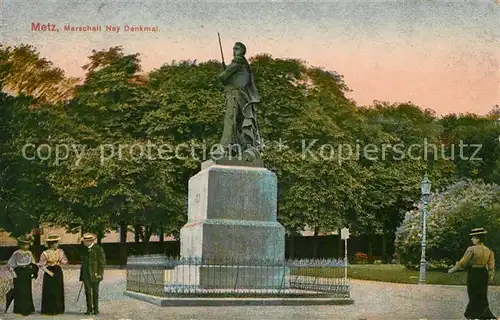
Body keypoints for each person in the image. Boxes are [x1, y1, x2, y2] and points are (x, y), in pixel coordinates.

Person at [216, 41, 262, 161]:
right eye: (234, 48)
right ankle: (242, 148)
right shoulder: (246, 65)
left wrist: (225, 72)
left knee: (230, 119)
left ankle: (223, 148)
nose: (234, 51)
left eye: (236, 49)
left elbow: (222, 77)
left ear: (242, 51)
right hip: (243, 97)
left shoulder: (238, 61)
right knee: (239, 123)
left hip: (234, 94)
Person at [448, 227, 496, 319]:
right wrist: (491, 276)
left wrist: (453, 269)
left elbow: (463, 262)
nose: (471, 239)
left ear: (478, 239)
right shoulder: (489, 250)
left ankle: (472, 314)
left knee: (473, 293)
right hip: (483, 273)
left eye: (473, 237)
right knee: (482, 294)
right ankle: (484, 314)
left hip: (474, 273)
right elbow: (491, 266)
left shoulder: (471, 249)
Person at [5, 234, 38, 316]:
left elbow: (33, 263)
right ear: (20, 245)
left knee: (27, 290)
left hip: (27, 273)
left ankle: (28, 308)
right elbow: (9, 264)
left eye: (27, 244)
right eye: (23, 244)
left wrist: (33, 272)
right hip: (19, 272)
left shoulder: (29, 253)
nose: (25, 246)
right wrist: (13, 274)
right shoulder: (16, 253)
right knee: (19, 290)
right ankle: (19, 308)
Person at [38, 233, 68, 315]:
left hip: (58, 270)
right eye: (56, 243)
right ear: (51, 244)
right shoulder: (45, 253)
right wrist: (49, 272)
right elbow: (41, 264)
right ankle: (50, 309)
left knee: (58, 289)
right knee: (50, 290)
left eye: (57, 243)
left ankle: (58, 309)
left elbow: (65, 261)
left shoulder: (60, 251)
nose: (57, 244)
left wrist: (61, 261)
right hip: (49, 271)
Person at [79, 233, 106, 315]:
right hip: (86, 275)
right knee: (87, 292)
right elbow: (83, 263)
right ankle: (89, 309)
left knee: (95, 292)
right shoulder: (83, 250)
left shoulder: (98, 249)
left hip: (95, 274)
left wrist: (100, 274)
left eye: (85, 241)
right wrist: (82, 274)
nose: (83, 243)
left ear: (90, 241)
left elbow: (102, 263)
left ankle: (96, 309)